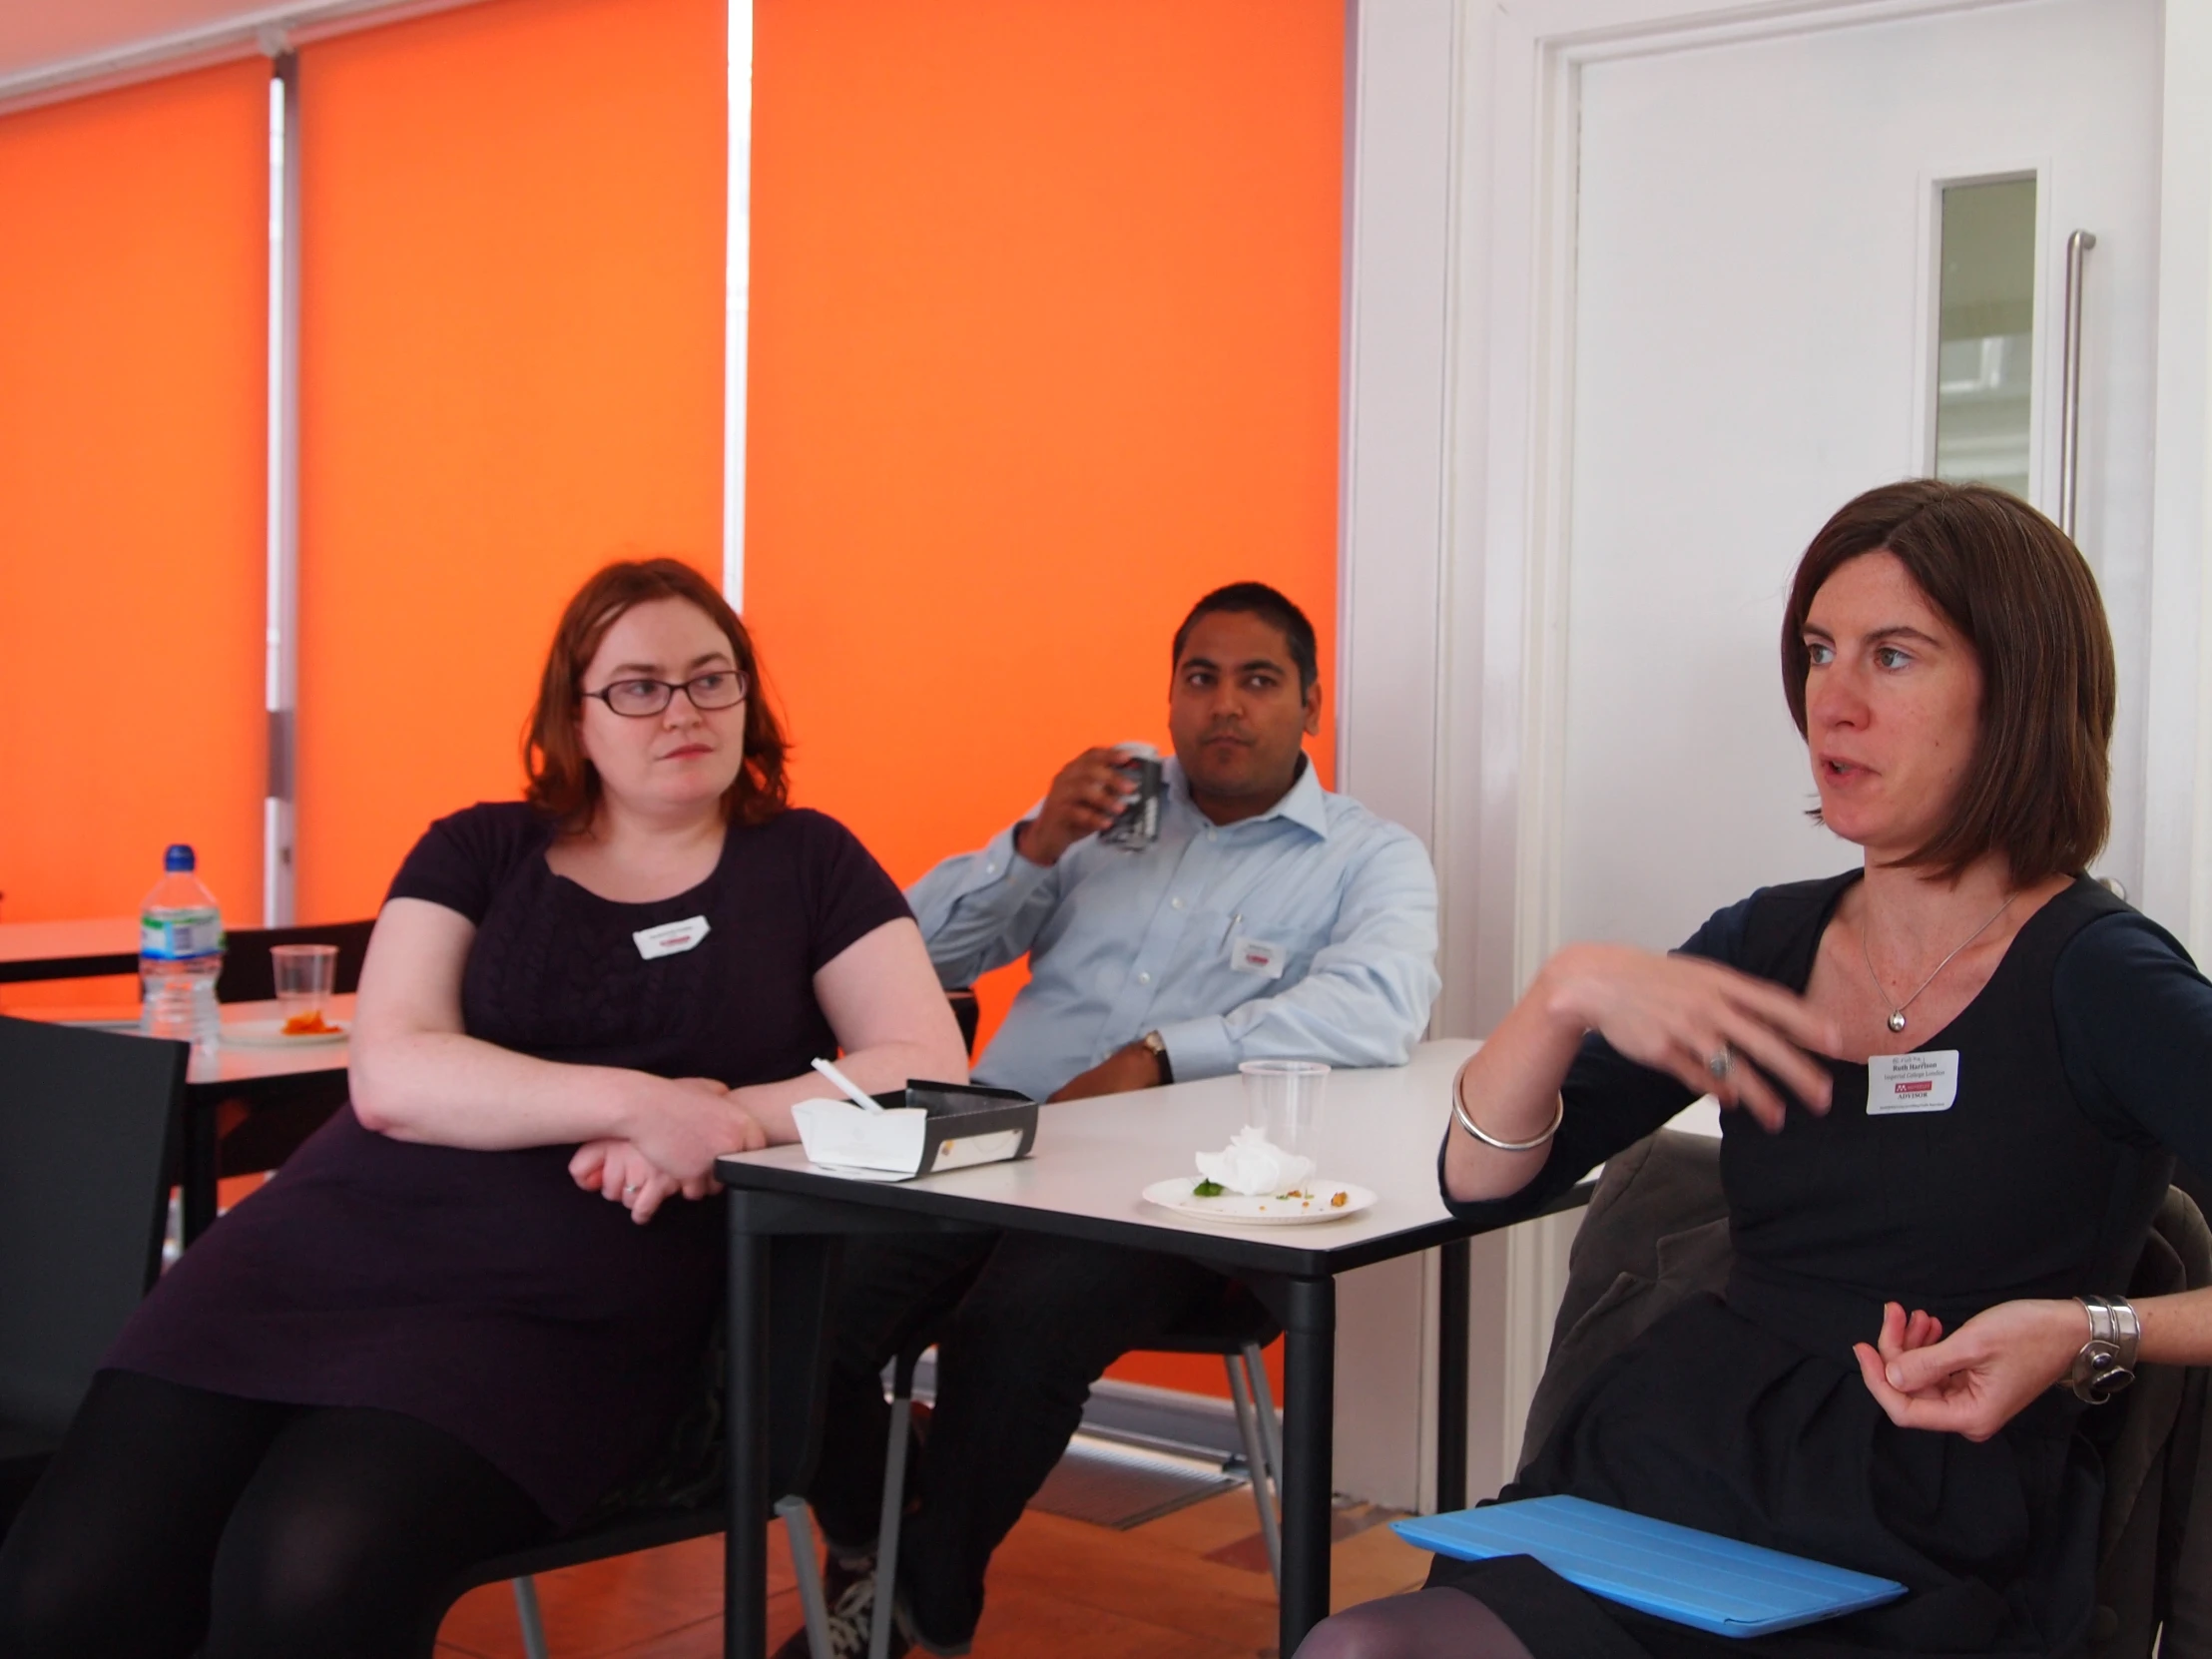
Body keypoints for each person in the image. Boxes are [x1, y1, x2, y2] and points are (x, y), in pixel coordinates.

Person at [1298, 480, 2212, 1659]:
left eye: (1891, 657)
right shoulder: (1763, 942)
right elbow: (1483, 1181)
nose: (1828, 703)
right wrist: (1561, 992)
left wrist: (2092, 1332)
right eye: (1818, 652)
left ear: (2019, 693)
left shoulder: (2098, 977)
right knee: (1361, 1648)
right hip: (1677, 1453)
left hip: (1930, 1517)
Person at [0, 558, 970, 1659]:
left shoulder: (806, 862)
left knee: (305, 1575)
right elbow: (394, 1075)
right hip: (313, 1258)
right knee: (62, 1588)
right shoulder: (478, 847)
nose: (683, 711)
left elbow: (921, 1065)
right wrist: (646, 1104)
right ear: (574, 714)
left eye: (712, 679)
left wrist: (734, 1116)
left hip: (562, 1310)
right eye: (638, 686)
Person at [781, 581, 1441, 1658]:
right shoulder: (1104, 812)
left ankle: (912, 1602)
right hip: (993, 1140)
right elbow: (908, 958)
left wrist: (1158, 1057)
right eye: (1200, 678)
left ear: (1310, 705)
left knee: (1012, 1329)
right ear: (1170, 697)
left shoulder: (1366, 857)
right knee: (803, 1306)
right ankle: (878, 1529)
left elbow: (1379, 1005)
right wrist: (1033, 842)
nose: (1225, 705)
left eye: (1258, 681)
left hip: (1178, 1181)